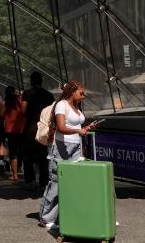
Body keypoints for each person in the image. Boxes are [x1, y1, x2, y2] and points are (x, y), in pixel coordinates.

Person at [39, 81, 99, 229]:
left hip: (75, 147)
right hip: (61, 147)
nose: (83, 96)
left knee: (72, 182)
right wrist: (79, 131)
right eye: (81, 93)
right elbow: (61, 127)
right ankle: (46, 218)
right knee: (56, 182)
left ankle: (64, 216)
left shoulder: (76, 107)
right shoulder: (62, 105)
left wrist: (85, 128)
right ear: (72, 91)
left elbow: (75, 125)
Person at [21, 71, 55, 190]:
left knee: (28, 155)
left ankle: (30, 181)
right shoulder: (48, 95)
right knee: (43, 155)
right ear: (41, 81)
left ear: (31, 81)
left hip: (31, 126)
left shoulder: (27, 93)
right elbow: (53, 111)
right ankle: (44, 181)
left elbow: (23, 110)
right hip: (45, 127)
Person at [1, 86, 25, 182]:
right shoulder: (19, 100)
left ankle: (15, 175)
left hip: (10, 131)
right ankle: (26, 173)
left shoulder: (5, 103)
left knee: (13, 153)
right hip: (20, 129)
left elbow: (1, 115)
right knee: (22, 151)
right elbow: (24, 111)